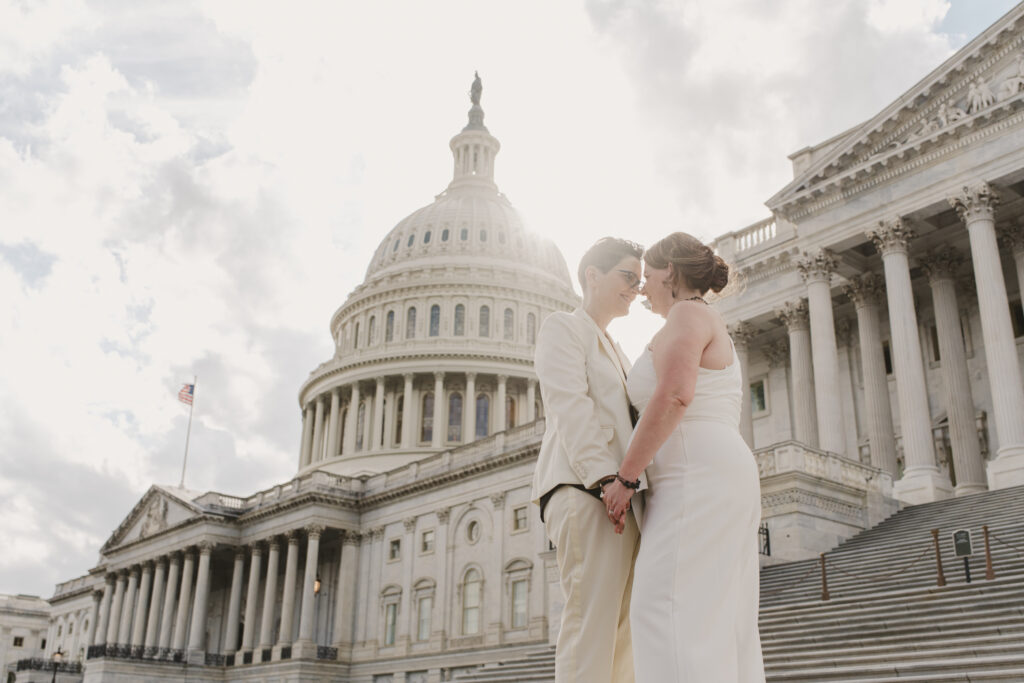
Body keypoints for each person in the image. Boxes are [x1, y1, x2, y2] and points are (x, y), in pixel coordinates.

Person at [604, 232, 766, 682]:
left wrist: (626, 478)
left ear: (669, 272)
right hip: (709, 467)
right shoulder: (701, 318)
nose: (643, 288)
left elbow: (674, 395)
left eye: (649, 276)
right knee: (713, 617)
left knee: (662, 606)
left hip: (696, 473)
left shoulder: (687, 316)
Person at [531, 237, 647, 683]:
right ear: (591, 276)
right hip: (586, 490)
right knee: (590, 625)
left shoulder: (618, 350)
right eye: (626, 277)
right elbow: (570, 405)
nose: (635, 290)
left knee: (624, 633)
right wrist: (604, 480)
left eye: (639, 283)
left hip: (621, 495)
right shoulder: (562, 327)